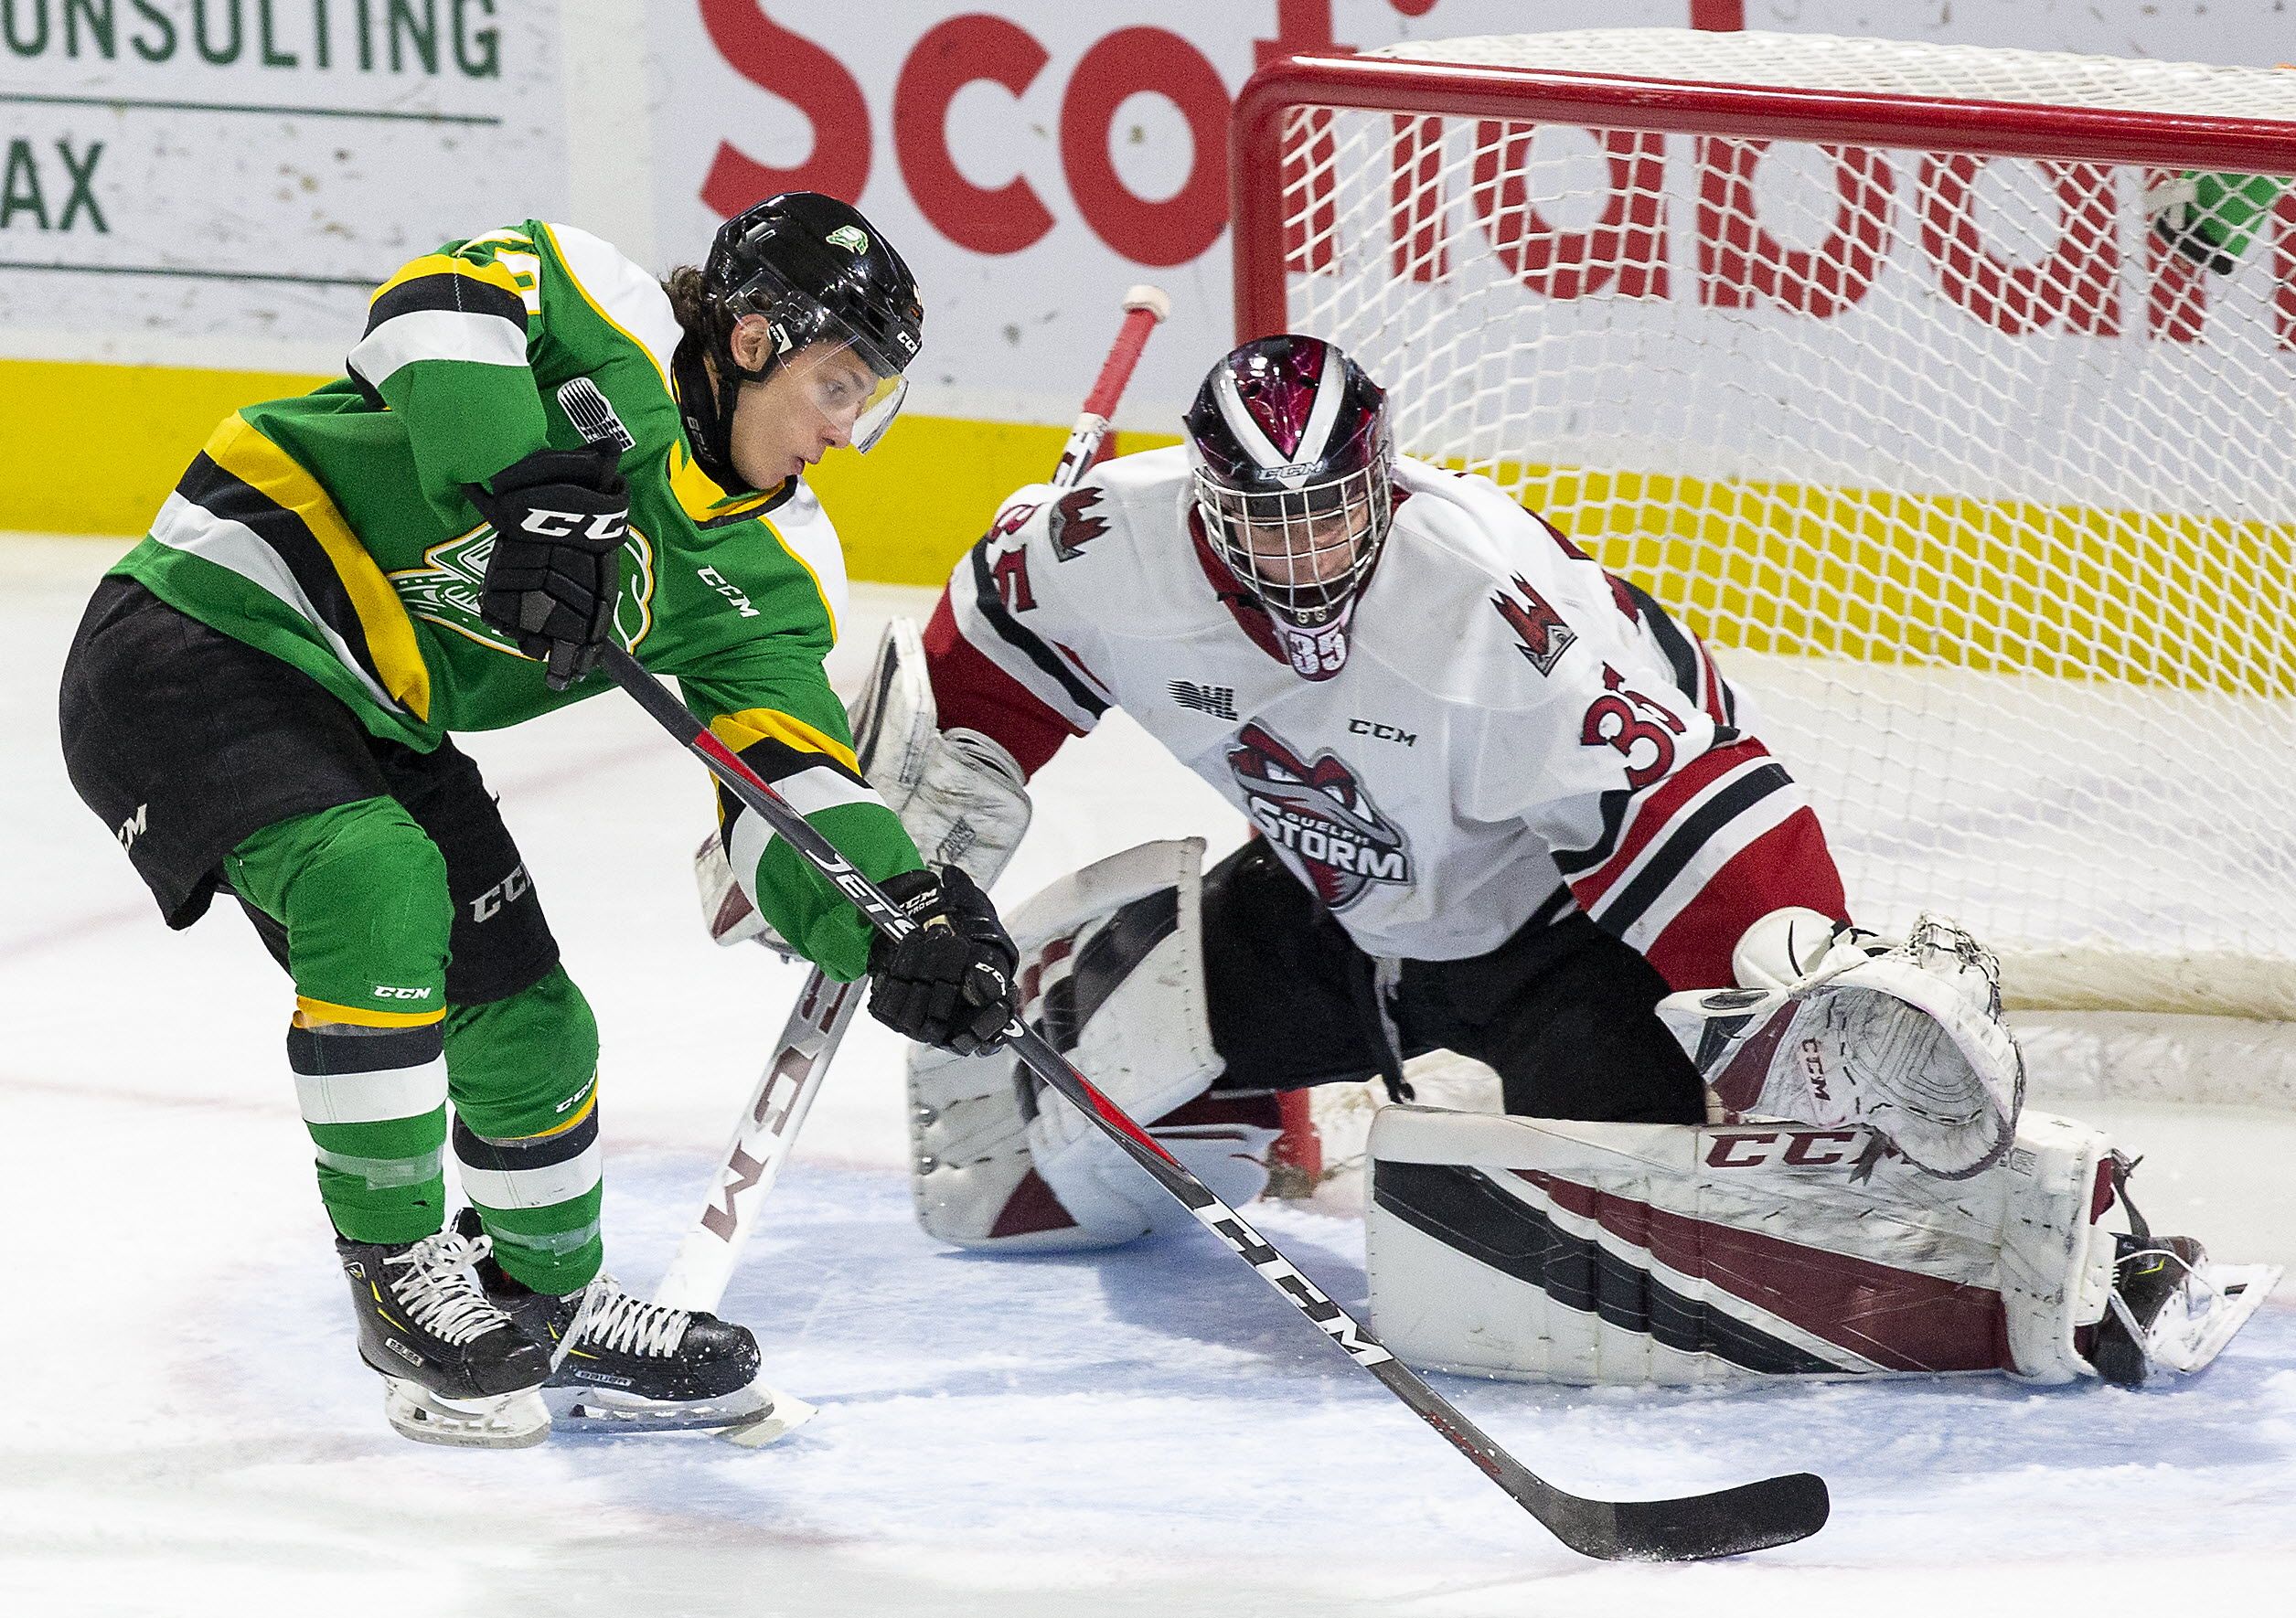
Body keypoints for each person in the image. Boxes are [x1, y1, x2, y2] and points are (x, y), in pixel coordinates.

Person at [862, 333, 2259, 1388]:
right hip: (1333, 908)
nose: (1303, 553)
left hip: (1560, 948)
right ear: (1208, 501)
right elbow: (994, 644)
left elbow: (1696, 812)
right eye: (1266, 518)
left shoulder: (1493, 608)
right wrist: (914, 845)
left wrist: (1793, 990)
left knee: (1621, 1267)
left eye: (1333, 512)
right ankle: (1268, 1117)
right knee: (1011, 1178)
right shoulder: (1110, 538)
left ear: (1383, 476)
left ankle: (2063, 1236)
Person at [58, 192, 1020, 1448]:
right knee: (378, 879)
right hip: (202, 625)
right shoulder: (596, 302)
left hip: (383, 718)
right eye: (837, 387)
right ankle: (400, 1271)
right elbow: (429, 310)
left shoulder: (779, 568)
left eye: (869, 402)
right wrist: (518, 476)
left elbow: (786, 779)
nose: (847, 431)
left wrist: (897, 914)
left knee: (535, 1028)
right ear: (748, 340)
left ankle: (543, 1300)